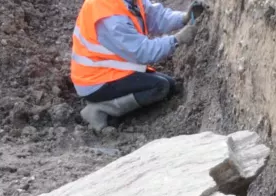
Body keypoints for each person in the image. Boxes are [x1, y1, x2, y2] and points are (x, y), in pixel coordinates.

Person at [70, 0, 207, 131]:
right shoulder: (109, 15)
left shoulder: (128, 2)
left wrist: (183, 18)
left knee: (169, 85)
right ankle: (99, 110)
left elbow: (155, 16)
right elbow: (142, 52)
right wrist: (176, 40)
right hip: (95, 80)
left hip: (110, 69)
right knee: (159, 87)